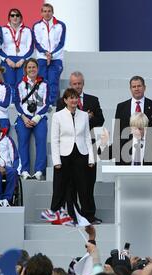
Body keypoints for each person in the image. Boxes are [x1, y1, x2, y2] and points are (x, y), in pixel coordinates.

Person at [56, 71, 104, 215]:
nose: (77, 86)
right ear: (70, 85)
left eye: (79, 83)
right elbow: (61, 122)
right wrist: (82, 117)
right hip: (69, 148)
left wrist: (87, 118)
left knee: (89, 182)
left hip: (89, 145)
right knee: (71, 184)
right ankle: (73, 214)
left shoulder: (93, 100)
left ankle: (89, 214)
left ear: (83, 83)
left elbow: (100, 120)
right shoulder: (61, 101)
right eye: (74, 84)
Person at [45, 88, 96, 224]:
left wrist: (91, 158)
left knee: (83, 186)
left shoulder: (84, 115)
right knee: (60, 186)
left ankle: (86, 216)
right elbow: (54, 139)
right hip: (64, 155)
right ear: (65, 100)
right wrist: (56, 160)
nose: (74, 100)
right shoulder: (58, 116)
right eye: (71, 98)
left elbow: (86, 137)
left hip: (81, 153)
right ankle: (56, 216)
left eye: (75, 97)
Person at [15, 58, 49, 180]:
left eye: (33, 67)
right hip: (24, 117)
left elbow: (47, 103)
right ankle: (24, 170)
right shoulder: (20, 84)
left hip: (39, 117)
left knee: (41, 141)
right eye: (29, 67)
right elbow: (17, 103)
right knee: (22, 142)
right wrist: (24, 118)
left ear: (37, 68)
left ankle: (39, 170)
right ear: (25, 69)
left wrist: (37, 117)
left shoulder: (44, 84)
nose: (31, 69)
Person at [114, 76, 152, 160]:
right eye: (134, 87)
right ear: (130, 88)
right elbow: (117, 130)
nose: (136, 89)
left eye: (139, 86)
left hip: (148, 152)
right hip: (126, 152)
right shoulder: (121, 106)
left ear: (144, 87)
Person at [33, 3, 66, 104]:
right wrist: (45, 53)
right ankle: (42, 104)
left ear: (53, 12)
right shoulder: (37, 26)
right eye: (45, 11)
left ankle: (53, 104)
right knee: (41, 81)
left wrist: (51, 54)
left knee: (53, 81)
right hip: (42, 58)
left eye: (49, 11)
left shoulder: (60, 25)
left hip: (56, 58)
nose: (47, 13)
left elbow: (61, 43)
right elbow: (36, 43)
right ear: (41, 13)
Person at [0, 8, 34, 96]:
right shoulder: (3, 30)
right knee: (9, 83)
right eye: (12, 15)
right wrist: (7, 59)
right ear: (9, 17)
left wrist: (23, 60)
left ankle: (20, 103)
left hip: (22, 60)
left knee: (21, 83)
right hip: (8, 60)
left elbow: (31, 48)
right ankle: (10, 103)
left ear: (21, 17)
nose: (15, 17)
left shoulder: (27, 30)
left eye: (17, 15)